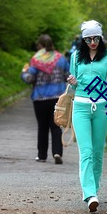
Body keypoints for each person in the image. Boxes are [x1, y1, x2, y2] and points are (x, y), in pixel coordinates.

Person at [67, 20, 107, 212]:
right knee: (86, 152)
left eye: (96, 38)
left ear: (101, 37)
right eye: (88, 39)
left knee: (98, 153)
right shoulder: (75, 57)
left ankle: (94, 190)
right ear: (83, 39)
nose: (92, 42)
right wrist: (72, 81)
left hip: (102, 108)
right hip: (80, 107)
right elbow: (73, 86)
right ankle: (89, 194)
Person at [21, 34, 70, 164]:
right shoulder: (61, 59)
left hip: (40, 98)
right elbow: (68, 76)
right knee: (56, 126)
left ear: (40, 46)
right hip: (57, 98)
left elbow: (29, 79)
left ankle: (42, 155)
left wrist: (24, 72)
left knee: (42, 127)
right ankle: (57, 152)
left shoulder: (36, 60)